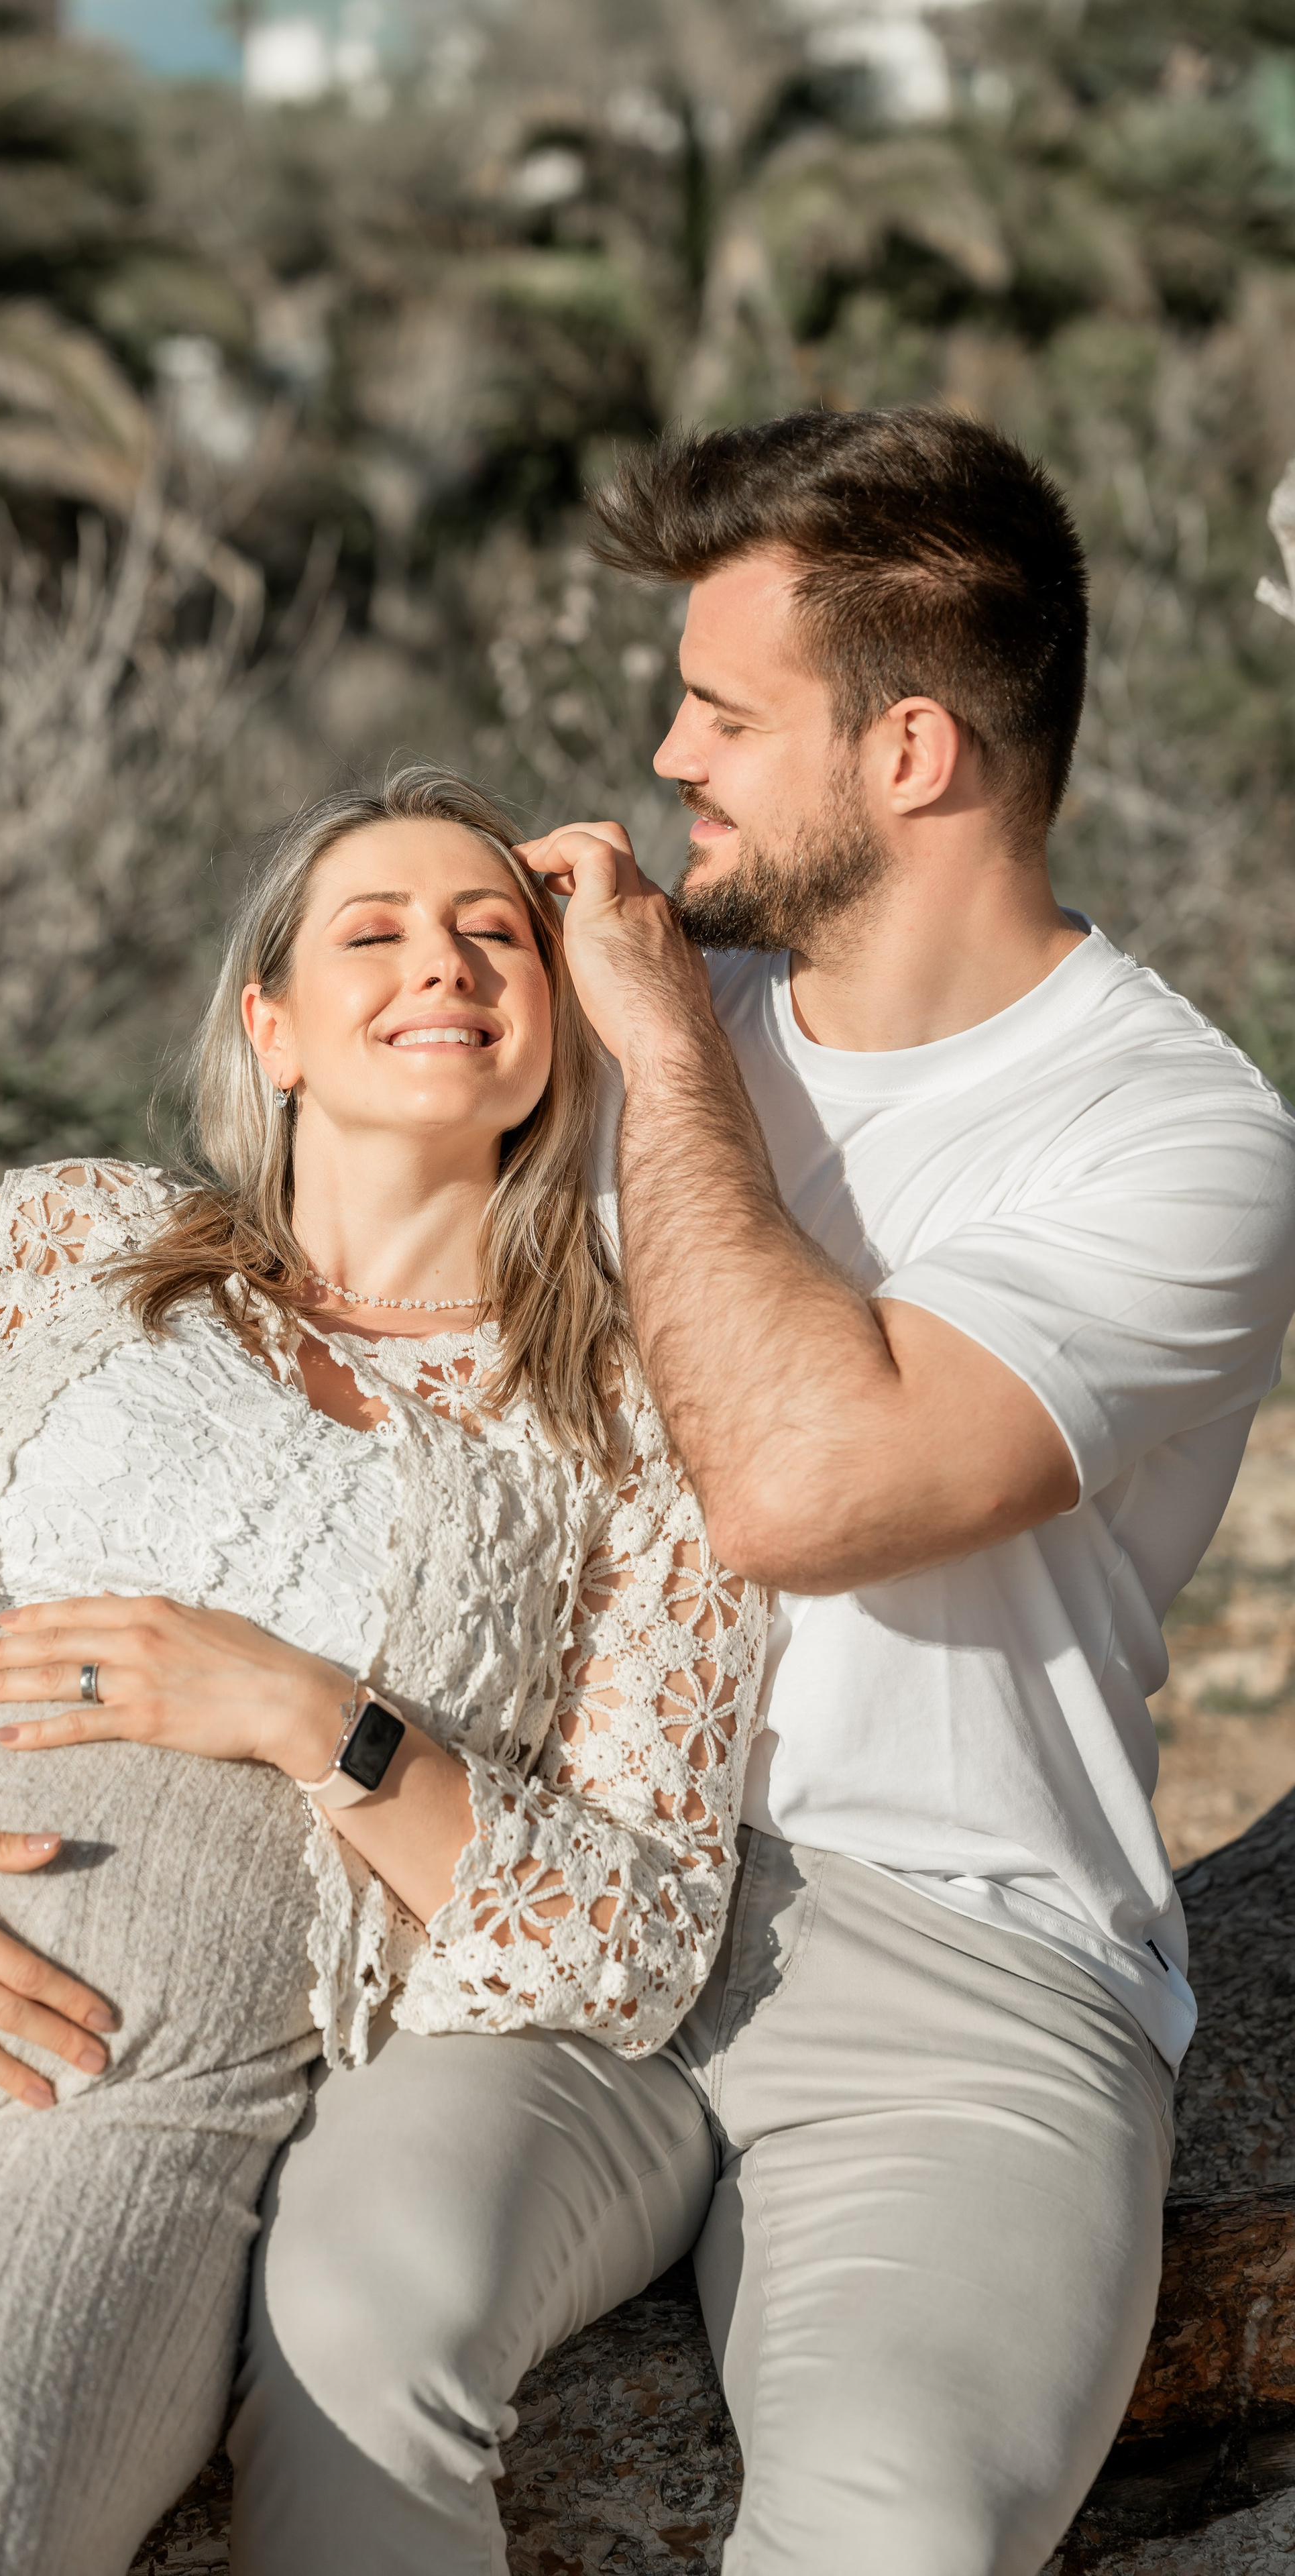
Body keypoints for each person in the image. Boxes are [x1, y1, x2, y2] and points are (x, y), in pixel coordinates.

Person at [225, 410, 1295, 2576]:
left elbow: (808, 1485)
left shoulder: (1177, 1136)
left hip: (962, 1963)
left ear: (911, 755)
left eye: (724, 711)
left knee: (894, 2539)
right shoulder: (589, 1016)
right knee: (350, 2316)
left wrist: (669, 1055)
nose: (669, 753)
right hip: (547, 1890)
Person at [0, 767, 761, 2576]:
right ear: (272, 1028)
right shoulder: (67, 1241)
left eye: (495, 936)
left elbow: (635, 1927)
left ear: (558, 1024)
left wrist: (317, 1719)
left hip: (116, 2101)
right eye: (376, 931)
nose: (442, 964)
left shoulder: (634, 1421)